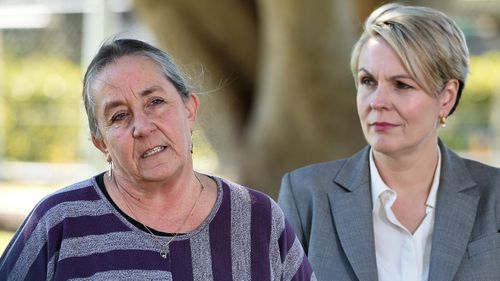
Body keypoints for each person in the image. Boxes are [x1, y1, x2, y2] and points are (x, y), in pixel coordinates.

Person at [0, 38, 316, 281]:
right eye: (119, 116)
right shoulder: (60, 222)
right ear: (102, 144)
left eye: (155, 101)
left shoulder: (258, 219)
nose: (143, 127)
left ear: (190, 110)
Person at [278, 3, 500, 281]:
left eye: (402, 85)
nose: (377, 102)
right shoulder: (306, 197)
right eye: (368, 81)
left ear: (447, 97)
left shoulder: (495, 197)